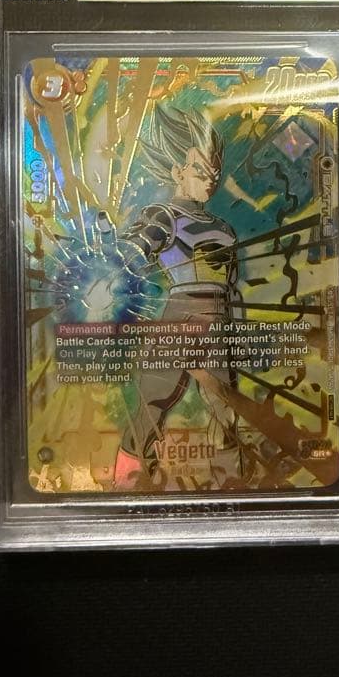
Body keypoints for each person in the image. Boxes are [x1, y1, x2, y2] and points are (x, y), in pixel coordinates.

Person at [107, 105, 241, 489]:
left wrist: (237, 332)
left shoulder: (224, 228)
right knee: (153, 403)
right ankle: (127, 485)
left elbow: (232, 287)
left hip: (218, 320)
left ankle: (234, 485)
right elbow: (133, 251)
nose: (210, 180)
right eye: (200, 170)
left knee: (225, 406)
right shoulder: (164, 216)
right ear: (177, 172)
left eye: (214, 172)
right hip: (180, 315)